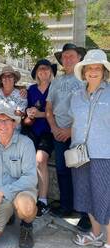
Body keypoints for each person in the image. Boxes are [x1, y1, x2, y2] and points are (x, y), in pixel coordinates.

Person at [46, 43, 91, 231]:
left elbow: (89, 111)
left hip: (79, 135)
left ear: (79, 57)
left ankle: (86, 215)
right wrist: (55, 128)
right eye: (64, 56)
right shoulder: (56, 82)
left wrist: (70, 131)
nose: (68, 59)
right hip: (58, 133)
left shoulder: (86, 80)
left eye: (71, 56)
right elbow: (49, 109)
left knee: (81, 173)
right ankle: (66, 207)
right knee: (63, 171)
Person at [0, 108, 38, 248]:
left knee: (26, 206)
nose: (2, 125)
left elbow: (30, 178)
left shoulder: (26, 143)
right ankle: (9, 215)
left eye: (7, 120)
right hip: (1, 200)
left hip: (21, 192)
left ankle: (26, 226)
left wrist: (2, 191)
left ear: (14, 123)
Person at [69, 49, 110, 248]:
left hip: (104, 154)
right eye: (90, 68)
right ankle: (95, 233)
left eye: (98, 68)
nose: (93, 71)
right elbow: (74, 123)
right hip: (79, 155)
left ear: (104, 71)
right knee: (86, 195)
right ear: (84, 71)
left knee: (105, 197)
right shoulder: (76, 96)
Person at [22, 59, 57, 217]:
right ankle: (28, 195)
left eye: (46, 69)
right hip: (32, 130)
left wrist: (40, 114)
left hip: (49, 131)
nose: (43, 71)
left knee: (41, 159)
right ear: (36, 73)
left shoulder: (56, 89)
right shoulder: (30, 90)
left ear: (51, 72)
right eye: (40, 69)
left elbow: (59, 112)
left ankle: (42, 200)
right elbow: (25, 110)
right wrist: (29, 112)